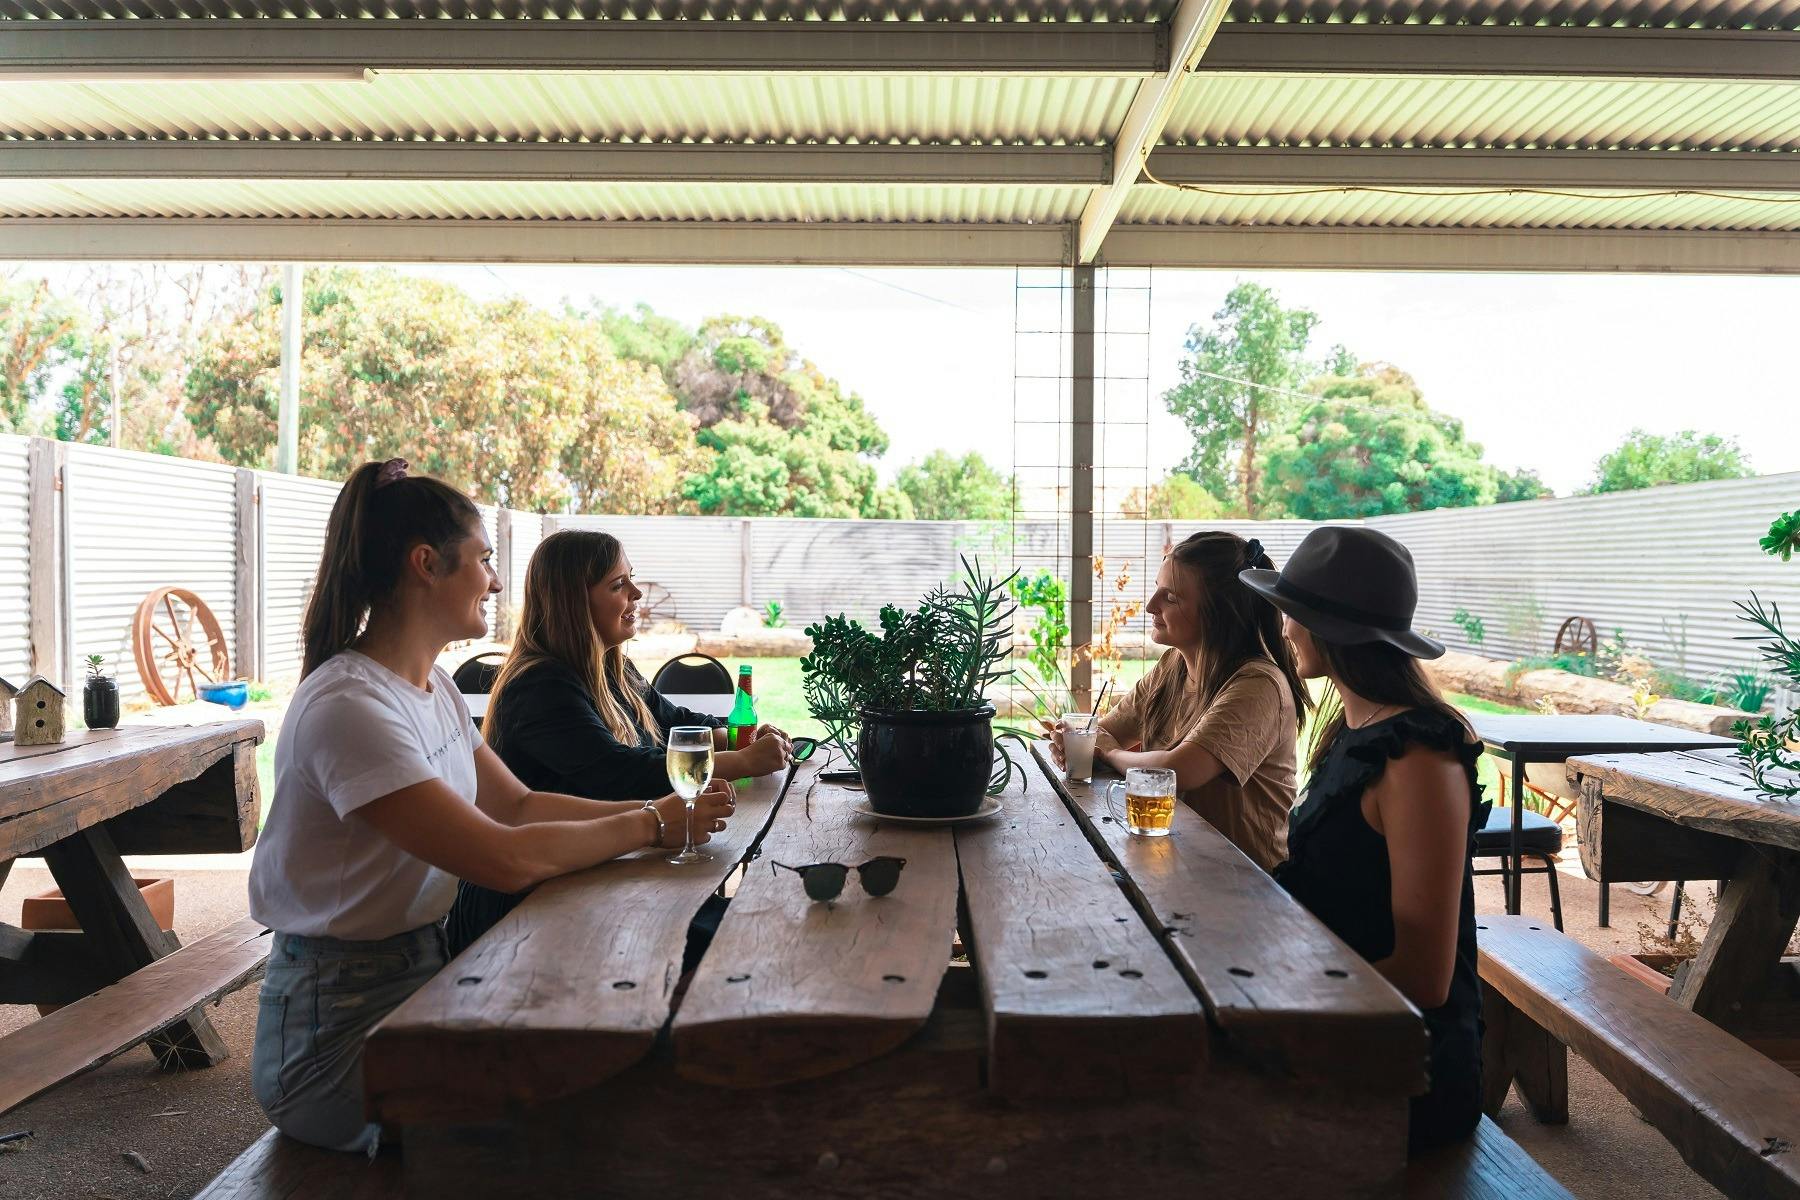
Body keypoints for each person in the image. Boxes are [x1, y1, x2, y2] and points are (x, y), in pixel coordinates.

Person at [246, 460, 733, 1155]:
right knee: (579, 1136)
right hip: (334, 1036)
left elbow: (521, 806)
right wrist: (653, 824)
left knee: (621, 1089)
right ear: (426, 566)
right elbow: (503, 858)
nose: (498, 581)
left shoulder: (431, 689)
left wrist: (661, 813)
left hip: (423, 977)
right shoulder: (349, 707)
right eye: (483, 561)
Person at [1241, 525, 1485, 1154]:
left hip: (1401, 1060)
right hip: (1343, 1012)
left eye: (1294, 615)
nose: (1285, 629)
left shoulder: (1418, 758)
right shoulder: (1359, 728)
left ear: (1331, 629)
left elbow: (1426, 978)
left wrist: (1279, 1005)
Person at [446, 528, 791, 956]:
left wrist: (742, 737)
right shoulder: (540, 685)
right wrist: (740, 762)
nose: (636, 594)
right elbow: (618, 772)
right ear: (573, 602)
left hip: (593, 872)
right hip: (524, 907)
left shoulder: (614, 669)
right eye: (617, 585)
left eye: (631, 579)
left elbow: (679, 723)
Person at [1048, 531, 1308, 872]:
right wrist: (1074, 741)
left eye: (1170, 597)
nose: (1151, 605)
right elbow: (1103, 732)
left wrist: (1110, 753)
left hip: (1243, 883)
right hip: (1173, 863)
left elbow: (1179, 770)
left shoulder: (1258, 685)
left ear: (1218, 613)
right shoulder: (1173, 666)